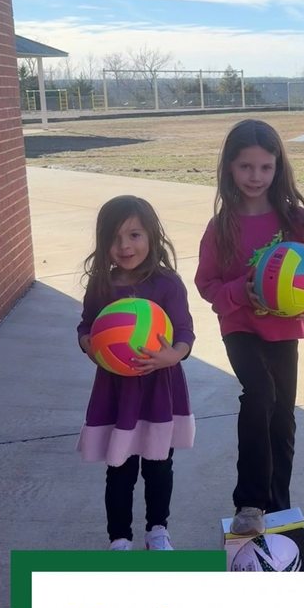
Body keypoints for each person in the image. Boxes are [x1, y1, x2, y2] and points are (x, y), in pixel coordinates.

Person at [195, 119, 304, 538]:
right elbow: (207, 285)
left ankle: (278, 507)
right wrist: (243, 290)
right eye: (245, 167)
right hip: (239, 327)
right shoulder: (221, 226)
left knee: (282, 417)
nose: (255, 177)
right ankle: (250, 501)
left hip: (283, 331)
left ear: (278, 168)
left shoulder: (294, 222)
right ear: (229, 169)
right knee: (259, 394)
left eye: (264, 167)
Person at [77, 196, 195, 551]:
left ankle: (157, 529)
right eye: (114, 238)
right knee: (120, 468)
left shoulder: (168, 285)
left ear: (152, 237)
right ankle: (119, 537)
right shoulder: (102, 285)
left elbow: (186, 333)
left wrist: (171, 356)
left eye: (134, 235)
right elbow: (85, 327)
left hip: (159, 388)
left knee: (159, 466)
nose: (124, 246)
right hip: (117, 392)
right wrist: (91, 344)